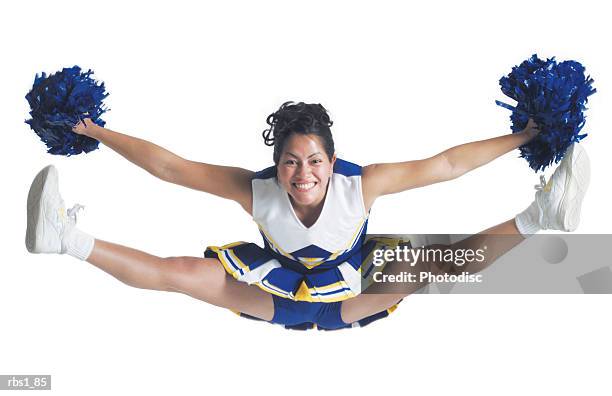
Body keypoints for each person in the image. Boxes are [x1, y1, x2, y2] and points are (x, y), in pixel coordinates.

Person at [25, 101, 590, 330]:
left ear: (332, 159)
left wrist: (523, 135)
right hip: (274, 290)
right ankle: (65, 239)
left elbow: (445, 165)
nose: (303, 175)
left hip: (350, 294)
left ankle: (540, 214)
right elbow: (173, 168)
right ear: (277, 163)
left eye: (315, 161)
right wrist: (94, 131)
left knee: (428, 269)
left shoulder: (361, 184)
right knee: (182, 274)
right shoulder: (256, 189)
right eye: (291, 162)